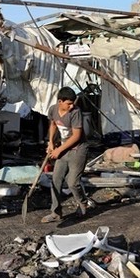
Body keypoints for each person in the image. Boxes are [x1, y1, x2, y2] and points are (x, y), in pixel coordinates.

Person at [41, 87, 89, 223]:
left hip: (78, 150)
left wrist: (58, 150)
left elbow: (76, 136)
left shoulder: (75, 112)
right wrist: (50, 142)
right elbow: (53, 125)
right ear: (60, 101)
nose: (71, 106)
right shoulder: (53, 109)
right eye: (68, 103)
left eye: (73, 103)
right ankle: (56, 212)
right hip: (63, 148)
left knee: (72, 182)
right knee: (55, 180)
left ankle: (82, 203)